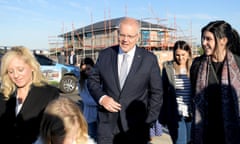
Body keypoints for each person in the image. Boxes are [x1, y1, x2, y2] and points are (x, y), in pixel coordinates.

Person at [87, 17, 163, 144]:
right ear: (117, 34)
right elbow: (92, 81)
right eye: (122, 35)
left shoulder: (149, 60)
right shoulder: (105, 55)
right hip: (107, 127)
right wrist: (102, 98)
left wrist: (148, 122)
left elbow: (157, 94)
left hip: (136, 128)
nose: (125, 40)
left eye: (130, 36)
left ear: (138, 36)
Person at [190, 20, 240, 144]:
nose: (203, 43)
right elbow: (194, 96)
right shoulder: (197, 65)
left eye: (208, 39)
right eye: (203, 39)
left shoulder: (238, 64)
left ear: (223, 40)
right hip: (206, 132)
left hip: (234, 130)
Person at [0, 46, 60, 144]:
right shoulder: (4, 95)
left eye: (20, 69)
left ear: (32, 67)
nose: (16, 75)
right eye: (11, 71)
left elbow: (56, 133)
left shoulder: (49, 94)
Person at [159, 40, 193, 144]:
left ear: (188, 53)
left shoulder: (194, 67)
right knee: (180, 141)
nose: (180, 58)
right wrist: (162, 115)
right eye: (177, 55)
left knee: (190, 141)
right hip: (175, 113)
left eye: (183, 55)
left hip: (191, 113)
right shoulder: (168, 68)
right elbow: (163, 91)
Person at [79, 57, 98, 142]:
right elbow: (86, 100)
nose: (86, 71)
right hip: (89, 117)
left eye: (88, 69)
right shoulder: (81, 83)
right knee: (91, 139)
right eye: (84, 70)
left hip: (100, 116)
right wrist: (101, 101)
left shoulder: (98, 80)